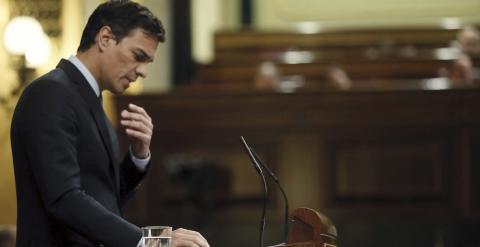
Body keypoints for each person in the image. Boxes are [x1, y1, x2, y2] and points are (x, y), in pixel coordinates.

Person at [10, 1, 209, 247]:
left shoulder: (94, 105)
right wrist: (149, 242)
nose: (143, 72)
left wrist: (138, 156)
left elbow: (106, 201)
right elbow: (64, 199)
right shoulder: (50, 93)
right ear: (105, 38)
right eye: (139, 56)